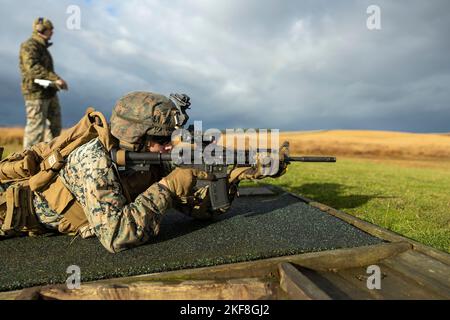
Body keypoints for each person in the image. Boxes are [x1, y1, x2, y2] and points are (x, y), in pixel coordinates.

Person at [0, 92, 287, 253]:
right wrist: (170, 187)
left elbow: (197, 209)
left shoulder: (148, 156)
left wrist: (234, 174)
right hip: (12, 215)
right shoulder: (93, 159)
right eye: (161, 140)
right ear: (135, 136)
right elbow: (116, 237)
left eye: (169, 139)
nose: (167, 147)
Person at [19, 17, 68, 149]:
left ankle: (48, 157)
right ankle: (26, 164)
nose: (52, 32)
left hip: (49, 93)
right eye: (50, 29)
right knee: (35, 131)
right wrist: (55, 78)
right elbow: (32, 67)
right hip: (36, 94)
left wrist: (55, 80)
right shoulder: (30, 45)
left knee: (55, 128)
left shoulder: (42, 47)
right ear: (41, 30)